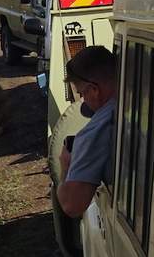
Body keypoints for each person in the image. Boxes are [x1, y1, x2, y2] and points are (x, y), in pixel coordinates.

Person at [57, 46, 117, 218]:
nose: (83, 100)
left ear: (94, 90)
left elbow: (72, 205)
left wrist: (65, 167)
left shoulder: (96, 131)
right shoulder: (136, 101)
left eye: (82, 93)